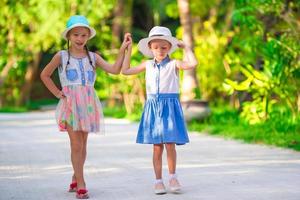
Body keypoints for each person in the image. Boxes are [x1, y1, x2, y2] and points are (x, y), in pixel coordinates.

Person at [40, 15, 131, 199]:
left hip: (88, 104)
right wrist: (58, 93)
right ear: (69, 36)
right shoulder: (62, 56)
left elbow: (114, 70)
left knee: (83, 145)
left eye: (83, 35)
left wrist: (123, 50)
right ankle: (81, 183)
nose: (80, 39)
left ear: (88, 37)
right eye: (76, 35)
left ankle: (75, 175)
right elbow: (45, 75)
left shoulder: (93, 57)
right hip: (71, 104)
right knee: (76, 144)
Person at [121, 26, 198, 194]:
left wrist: (186, 48)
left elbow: (192, 63)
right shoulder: (147, 65)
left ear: (170, 47)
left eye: (164, 47)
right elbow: (125, 70)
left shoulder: (174, 64)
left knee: (170, 144)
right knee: (157, 147)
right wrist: (128, 50)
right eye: (156, 47)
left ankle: (173, 177)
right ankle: (158, 181)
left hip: (169, 107)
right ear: (150, 48)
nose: (160, 50)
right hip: (153, 107)